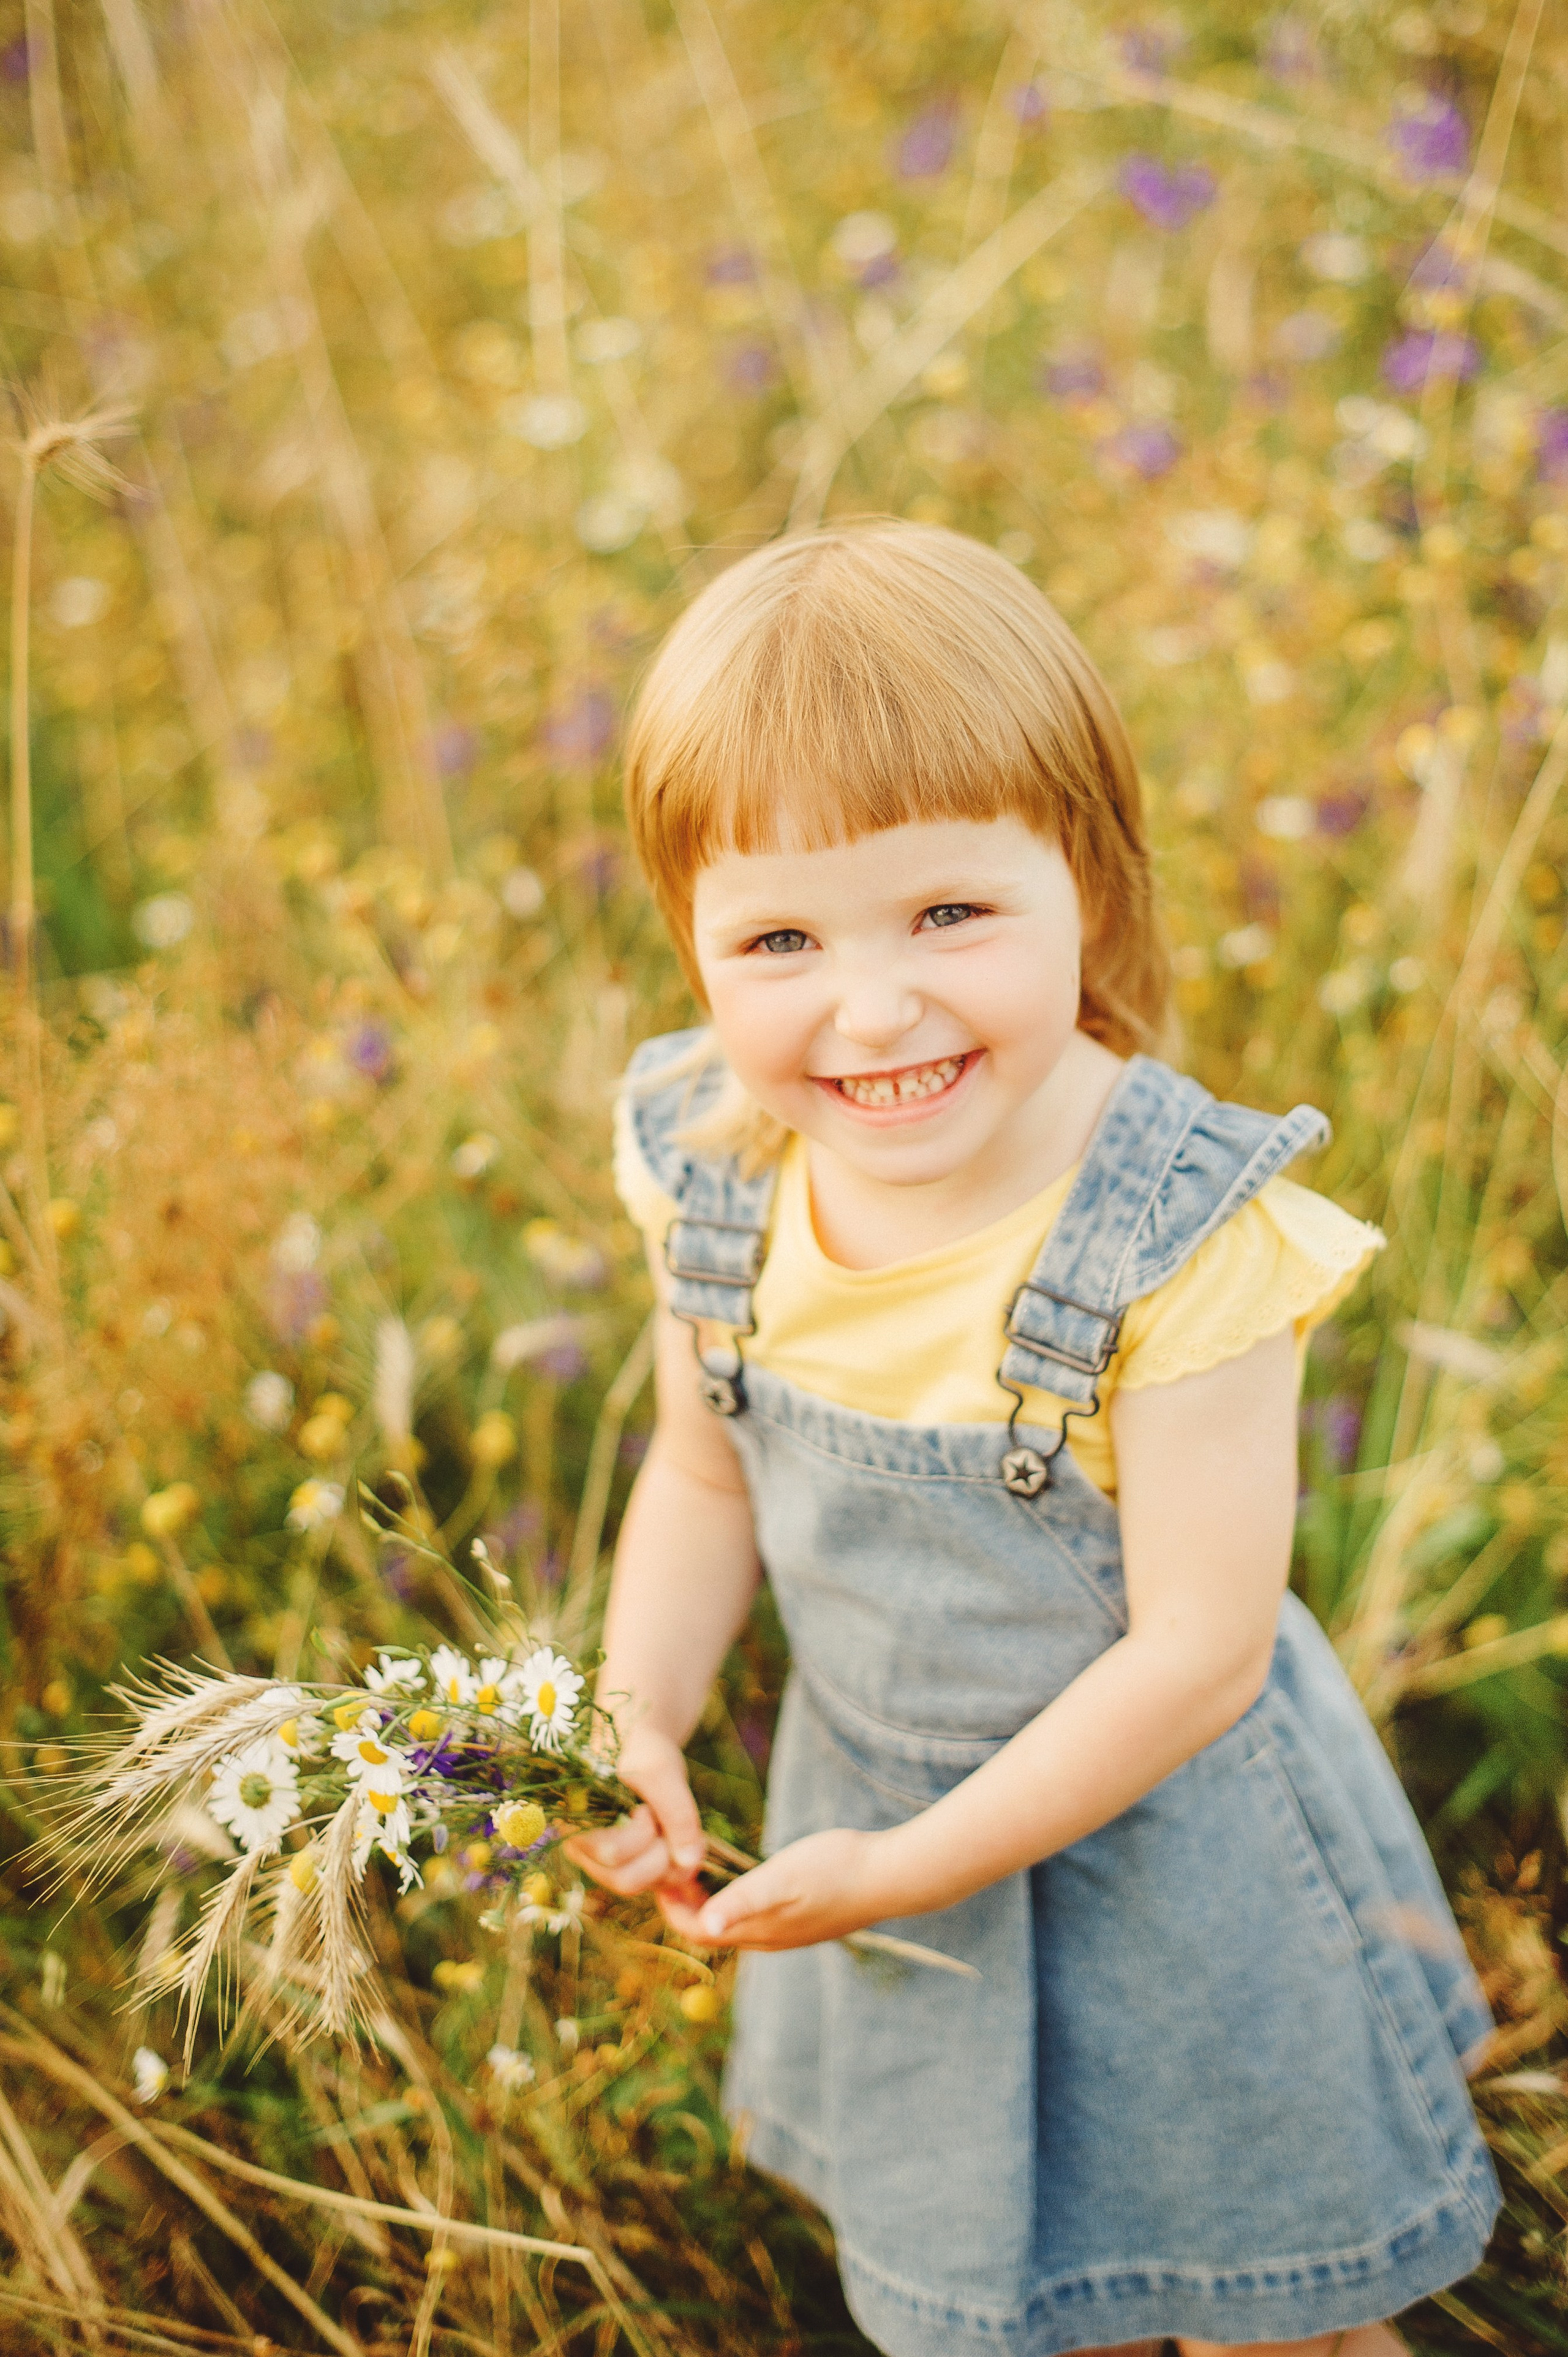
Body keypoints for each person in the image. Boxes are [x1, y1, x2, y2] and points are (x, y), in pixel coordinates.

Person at [568, 520, 1500, 2357]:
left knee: (1267, 2305)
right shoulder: (717, 1175)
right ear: (686, 937)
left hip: (1174, 1861)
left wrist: (911, 1871)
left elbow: (1201, 1653)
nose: (875, 1004)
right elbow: (700, 1472)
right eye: (778, 937)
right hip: (880, 1820)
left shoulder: (1178, 1230)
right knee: (1002, 2271)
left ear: (1081, 869)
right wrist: (639, 1707)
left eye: (947, 912)